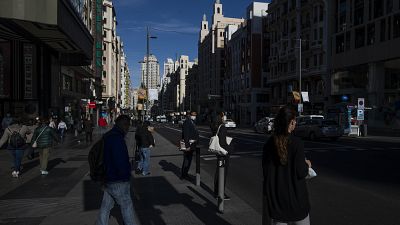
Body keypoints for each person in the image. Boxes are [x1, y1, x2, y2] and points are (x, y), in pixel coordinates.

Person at [262, 106, 312, 225]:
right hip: (297, 202)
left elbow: (266, 173)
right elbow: (301, 172)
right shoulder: (297, 143)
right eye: (294, 121)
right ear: (291, 123)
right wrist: (307, 165)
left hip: (277, 202)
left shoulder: (268, 144)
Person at [96, 115, 137, 225]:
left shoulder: (108, 136)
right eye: (128, 126)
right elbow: (120, 161)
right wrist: (126, 176)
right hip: (118, 179)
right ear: (124, 125)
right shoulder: (117, 139)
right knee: (127, 206)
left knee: (106, 206)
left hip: (108, 177)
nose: (128, 129)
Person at [211, 111, 232, 199]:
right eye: (224, 116)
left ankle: (216, 192)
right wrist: (230, 149)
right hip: (223, 152)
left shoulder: (214, 126)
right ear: (221, 117)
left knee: (218, 172)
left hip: (218, 151)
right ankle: (221, 193)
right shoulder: (222, 127)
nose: (225, 117)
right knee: (223, 172)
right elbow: (223, 143)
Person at [180, 111, 199, 180]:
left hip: (192, 144)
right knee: (186, 160)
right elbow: (186, 135)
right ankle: (183, 175)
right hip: (188, 145)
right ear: (189, 115)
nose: (195, 116)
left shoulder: (192, 122)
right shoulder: (187, 122)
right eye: (193, 115)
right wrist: (187, 146)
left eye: (195, 115)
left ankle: (185, 173)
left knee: (188, 159)